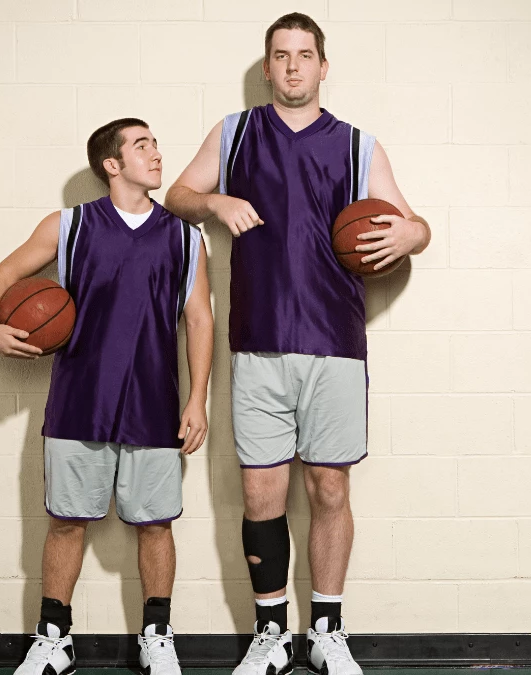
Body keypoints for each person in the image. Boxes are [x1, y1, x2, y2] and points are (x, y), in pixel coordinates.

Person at [164, 13, 431, 675]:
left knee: (331, 488)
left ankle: (328, 632)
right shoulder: (234, 132)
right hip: (257, 342)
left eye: (304, 55)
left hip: (336, 342)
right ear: (266, 66)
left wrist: (411, 236)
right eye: (280, 55)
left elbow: (415, 221)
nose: (291, 67)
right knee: (262, 496)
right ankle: (271, 634)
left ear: (322, 66)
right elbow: (175, 195)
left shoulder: (358, 146)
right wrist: (215, 203)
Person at [0, 118, 214, 675]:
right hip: (80, 400)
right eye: (142, 145)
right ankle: (54, 639)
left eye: (154, 143)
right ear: (112, 164)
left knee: (155, 524)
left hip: (154, 402)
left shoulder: (184, 237)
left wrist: (197, 397)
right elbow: (3, 272)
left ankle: (157, 636)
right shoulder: (69, 225)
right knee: (66, 521)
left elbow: (200, 320)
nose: (156, 153)